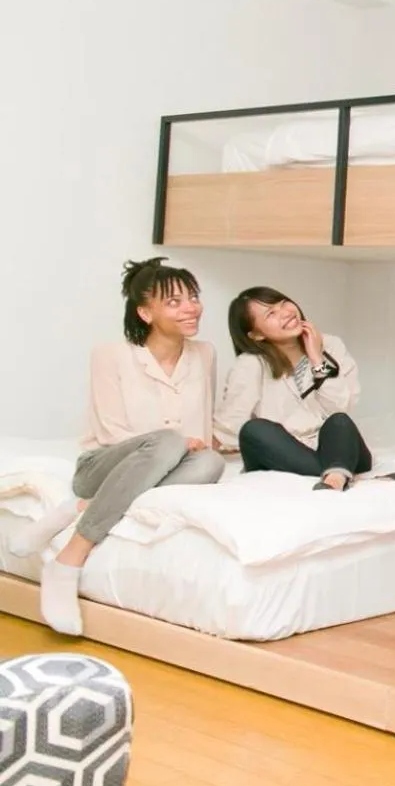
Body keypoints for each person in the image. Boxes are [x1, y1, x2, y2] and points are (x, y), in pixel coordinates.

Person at [6, 257, 226, 635]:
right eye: (174, 302)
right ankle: (70, 559)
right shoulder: (111, 354)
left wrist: (199, 443)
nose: (191, 307)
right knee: (171, 443)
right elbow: (110, 433)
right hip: (101, 465)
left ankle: (81, 509)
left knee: (210, 463)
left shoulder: (204, 353)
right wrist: (173, 441)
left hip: (165, 463)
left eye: (193, 297)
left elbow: (202, 425)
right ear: (145, 312)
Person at [213, 286, 371, 491]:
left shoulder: (331, 345)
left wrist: (316, 359)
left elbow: (340, 407)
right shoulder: (251, 363)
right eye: (271, 313)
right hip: (285, 450)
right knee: (254, 429)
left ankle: (333, 479)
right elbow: (232, 421)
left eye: (283, 303)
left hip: (332, 443)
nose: (286, 312)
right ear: (255, 335)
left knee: (339, 422)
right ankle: (336, 472)